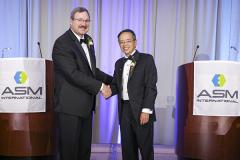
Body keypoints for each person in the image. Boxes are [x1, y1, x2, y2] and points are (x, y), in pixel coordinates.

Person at [52, 7, 112, 160]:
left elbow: (91, 70)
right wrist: (100, 87)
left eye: (86, 20)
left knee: (84, 151)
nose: (83, 23)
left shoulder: (88, 40)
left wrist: (114, 81)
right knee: (69, 152)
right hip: (69, 108)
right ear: (71, 21)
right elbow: (73, 74)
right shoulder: (62, 43)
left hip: (85, 107)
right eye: (79, 20)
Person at [103, 29, 158, 160]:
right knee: (127, 148)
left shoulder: (147, 59)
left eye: (128, 41)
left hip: (141, 110)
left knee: (145, 149)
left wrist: (146, 110)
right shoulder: (119, 63)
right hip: (125, 110)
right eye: (121, 42)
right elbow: (117, 85)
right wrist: (108, 91)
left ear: (135, 42)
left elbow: (151, 87)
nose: (124, 44)